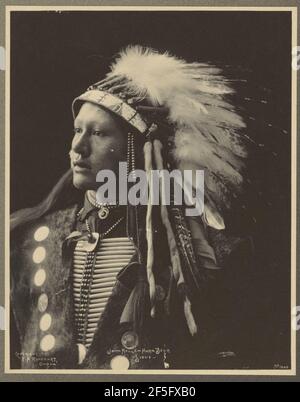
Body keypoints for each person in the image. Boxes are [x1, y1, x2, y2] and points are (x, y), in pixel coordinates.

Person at [10, 46, 252, 370]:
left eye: (97, 133)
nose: (77, 147)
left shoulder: (202, 258)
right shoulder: (30, 241)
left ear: (135, 152)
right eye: (77, 129)